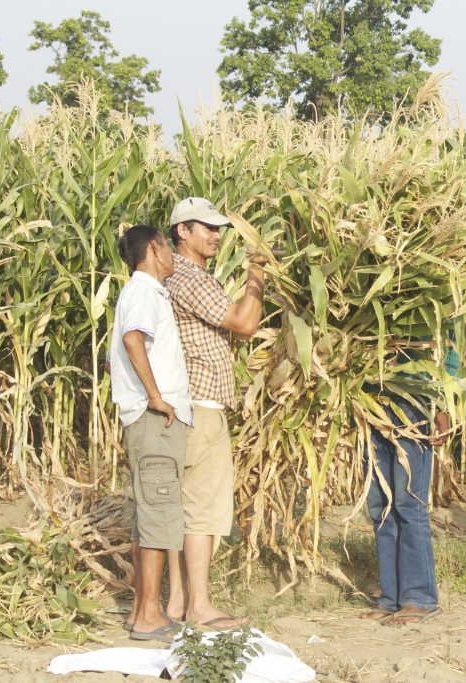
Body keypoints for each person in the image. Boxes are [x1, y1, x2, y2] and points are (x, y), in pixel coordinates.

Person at [163, 197, 268, 630]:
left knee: (179, 508)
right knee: (201, 509)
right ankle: (200, 607)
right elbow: (244, 323)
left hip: (186, 406)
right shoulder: (190, 277)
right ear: (181, 232)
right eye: (204, 226)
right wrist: (256, 271)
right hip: (200, 408)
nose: (215, 233)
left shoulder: (175, 275)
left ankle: (177, 602)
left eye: (217, 226)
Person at [109, 225, 192, 643]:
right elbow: (131, 339)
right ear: (156, 248)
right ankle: (148, 617)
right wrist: (156, 397)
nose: (174, 255)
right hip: (154, 421)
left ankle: (144, 611)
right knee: (160, 515)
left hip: (146, 421)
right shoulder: (143, 290)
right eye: (169, 247)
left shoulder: (140, 292)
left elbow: (119, 355)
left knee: (150, 517)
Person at [361, 338, 457, 625]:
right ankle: (391, 599)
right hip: (371, 401)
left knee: (407, 501)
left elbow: (448, 352)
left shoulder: (434, 298)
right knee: (380, 505)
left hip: (414, 401)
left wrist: (441, 408)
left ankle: (419, 599)